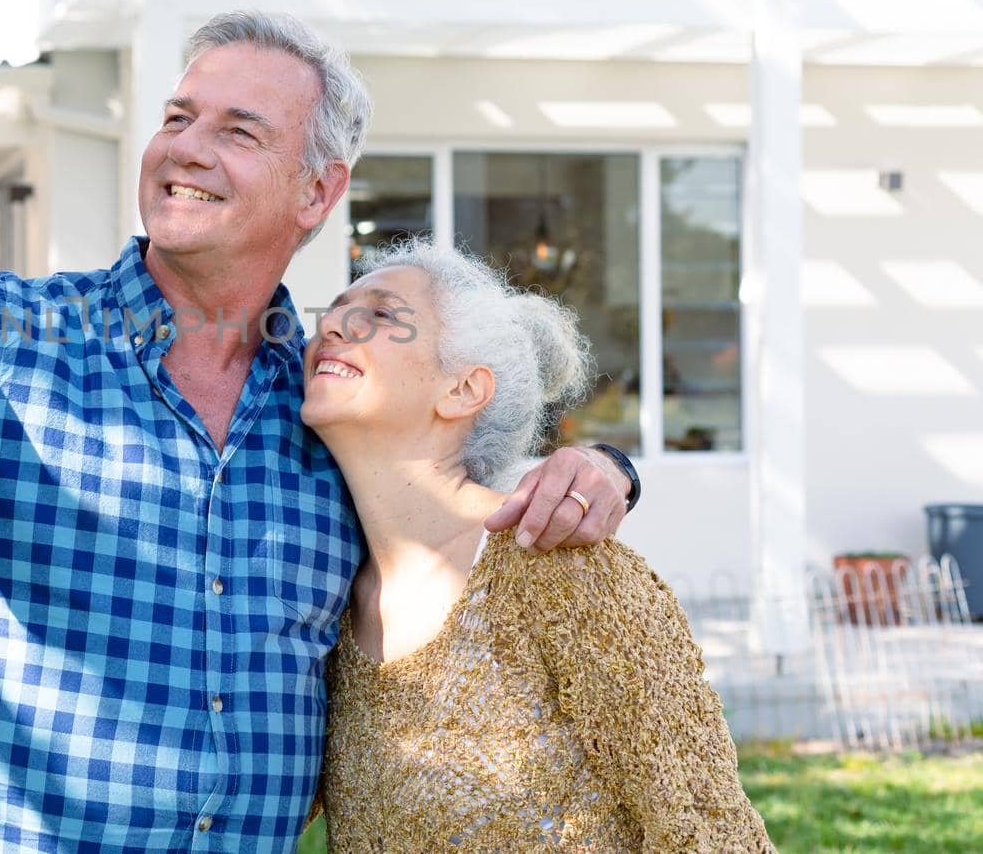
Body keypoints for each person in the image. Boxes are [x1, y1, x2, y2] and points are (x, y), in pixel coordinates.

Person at [0, 0, 638, 852]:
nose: (184, 148)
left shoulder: (334, 402)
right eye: (177, 115)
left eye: (237, 129)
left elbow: (453, 499)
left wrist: (605, 466)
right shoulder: (2, 337)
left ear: (317, 190)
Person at [302, 239, 773, 851]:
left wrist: (614, 465)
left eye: (383, 314)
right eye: (334, 311)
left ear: (464, 390)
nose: (331, 324)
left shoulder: (559, 571)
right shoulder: (328, 606)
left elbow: (709, 829)